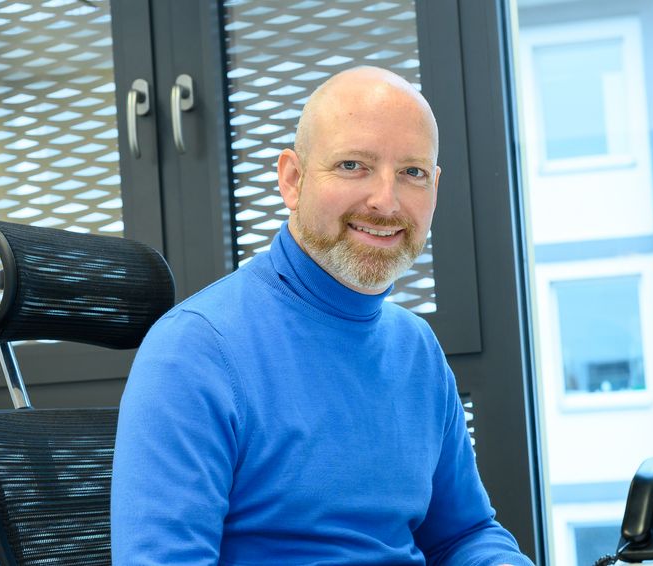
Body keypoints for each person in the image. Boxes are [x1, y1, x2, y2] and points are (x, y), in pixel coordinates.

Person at [111, 66, 535, 566]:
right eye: (354, 165)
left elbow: (462, 535)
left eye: (412, 172)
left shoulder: (416, 348)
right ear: (292, 180)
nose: (386, 200)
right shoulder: (195, 351)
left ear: (435, 188)